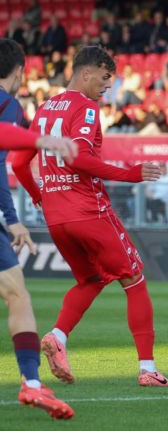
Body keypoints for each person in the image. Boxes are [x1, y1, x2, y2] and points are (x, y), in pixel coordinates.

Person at [11, 45, 168, 388]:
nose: (107, 87)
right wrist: (132, 173)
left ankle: (57, 336)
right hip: (89, 210)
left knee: (91, 280)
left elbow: (17, 163)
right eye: (104, 78)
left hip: (56, 217)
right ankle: (148, 369)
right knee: (134, 279)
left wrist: (41, 197)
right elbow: (79, 159)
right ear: (86, 73)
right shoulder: (84, 108)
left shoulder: (43, 109)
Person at [0, 38, 77, 420]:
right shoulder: (7, 103)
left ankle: (32, 384)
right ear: (18, 72)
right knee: (17, 294)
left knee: (17, 291)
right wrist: (40, 138)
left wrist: (11, 217)